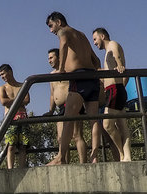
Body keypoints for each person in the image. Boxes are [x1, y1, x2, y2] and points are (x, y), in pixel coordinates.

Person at [46, 12, 102, 164]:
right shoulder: (82, 35)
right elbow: (96, 60)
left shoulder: (64, 31)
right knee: (94, 120)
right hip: (92, 77)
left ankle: (60, 157)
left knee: (68, 119)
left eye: (51, 26)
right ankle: (94, 156)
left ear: (58, 22)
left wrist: (62, 69)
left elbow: (63, 44)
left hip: (79, 78)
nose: (51, 31)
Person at [92, 27, 132, 162]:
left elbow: (116, 55)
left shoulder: (112, 44)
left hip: (115, 89)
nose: (94, 42)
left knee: (107, 125)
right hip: (115, 90)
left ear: (102, 36)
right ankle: (127, 156)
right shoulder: (105, 52)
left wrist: (119, 65)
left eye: (95, 39)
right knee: (122, 125)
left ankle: (121, 153)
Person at [47, 48, 86, 163]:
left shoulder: (68, 70)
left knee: (76, 135)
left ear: (59, 57)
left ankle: (83, 163)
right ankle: (64, 163)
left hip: (72, 104)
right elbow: (52, 94)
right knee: (61, 138)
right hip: (60, 109)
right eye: (48, 58)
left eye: (51, 57)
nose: (49, 60)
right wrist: (50, 111)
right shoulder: (51, 75)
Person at [0, 64, 31, 169]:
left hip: (23, 117)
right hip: (10, 118)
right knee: (10, 145)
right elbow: (3, 101)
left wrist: (12, 102)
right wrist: (18, 100)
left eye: (3, 74)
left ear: (10, 71)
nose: (2, 77)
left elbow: (27, 100)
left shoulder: (22, 86)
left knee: (23, 145)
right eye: (0, 75)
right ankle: (10, 169)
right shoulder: (2, 88)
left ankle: (21, 168)